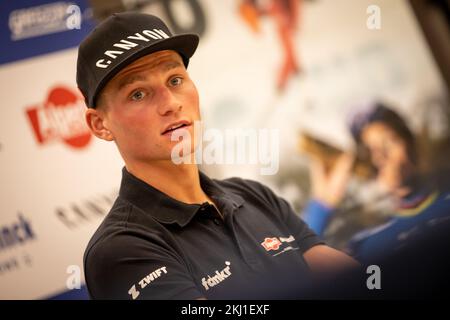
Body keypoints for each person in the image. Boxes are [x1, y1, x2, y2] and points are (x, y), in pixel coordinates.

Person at [76, 12, 357, 300]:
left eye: (174, 80)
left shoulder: (253, 196)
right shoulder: (121, 250)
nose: (171, 103)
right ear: (100, 124)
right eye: (138, 94)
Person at [303, 102, 450, 264]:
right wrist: (322, 204)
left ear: (410, 142)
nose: (381, 156)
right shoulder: (365, 244)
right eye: (370, 150)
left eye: (389, 142)